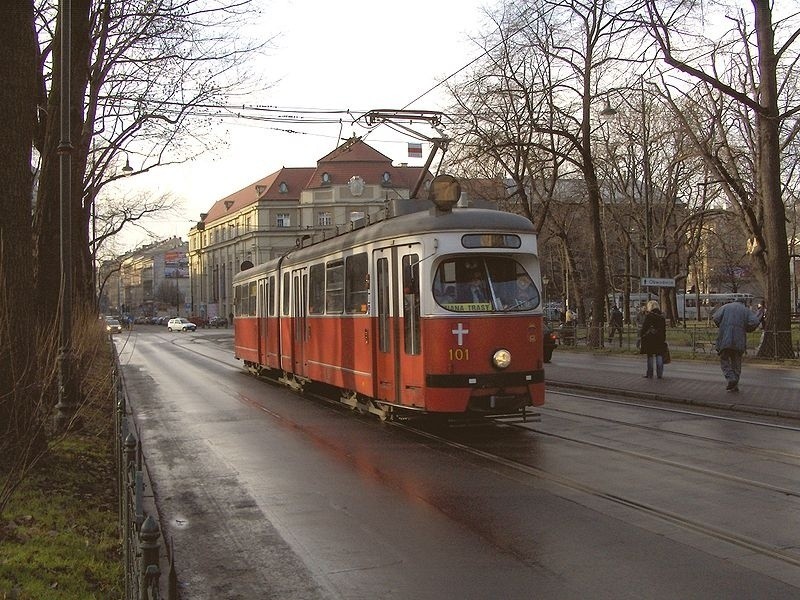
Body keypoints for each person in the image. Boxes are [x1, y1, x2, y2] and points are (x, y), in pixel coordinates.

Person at [712, 299, 761, 392]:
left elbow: (715, 318)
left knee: (724, 359)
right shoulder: (746, 310)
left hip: (725, 338)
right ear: (743, 303)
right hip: (739, 340)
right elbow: (755, 322)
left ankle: (731, 379)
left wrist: (722, 326)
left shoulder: (725, 307)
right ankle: (735, 384)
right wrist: (747, 328)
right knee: (736, 362)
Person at [639, 300, 666, 379]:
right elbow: (664, 329)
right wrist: (663, 338)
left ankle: (650, 374)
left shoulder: (649, 316)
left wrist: (641, 335)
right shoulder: (662, 316)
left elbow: (645, 327)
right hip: (660, 338)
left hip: (650, 338)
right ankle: (660, 374)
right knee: (659, 355)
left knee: (650, 356)